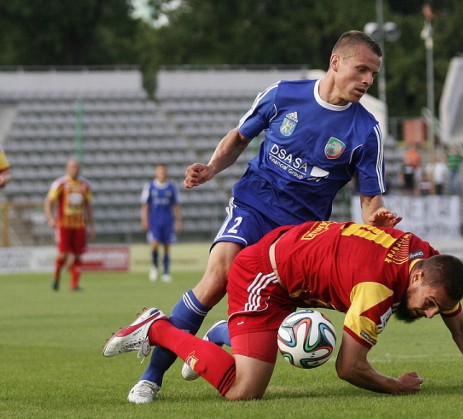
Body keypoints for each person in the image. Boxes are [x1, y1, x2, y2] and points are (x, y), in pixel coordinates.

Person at [126, 30, 402, 403]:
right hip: (254, 206)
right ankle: (151, 378)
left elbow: (369, 198)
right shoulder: (284, 94)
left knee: (274, 317)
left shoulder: (365, 131)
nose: (368, 80)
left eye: (374, 74)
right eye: (362, 69)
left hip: (299, 235)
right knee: (218, 277)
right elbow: (240, 137)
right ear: (336, 62)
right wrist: (211, 168)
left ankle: (223, 334)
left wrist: (375, 219)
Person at [103, 220, 463, 400]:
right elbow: (350, 368)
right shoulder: (377, 291)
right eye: (431, 304)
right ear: (417, 279)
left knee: (280, 351)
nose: (432, 314)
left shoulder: (426, 257)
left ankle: (222, 335)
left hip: (296, 264)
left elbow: (461, 325)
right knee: (244, 391)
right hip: (264, 277)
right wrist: (397, 387)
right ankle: (157, 327)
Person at [44, 158, 95, 291]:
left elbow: (88, 206)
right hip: (64, 225)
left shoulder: (85, 185)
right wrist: (50, 218)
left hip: (79, 225)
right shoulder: (60, 183)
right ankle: (56, 277)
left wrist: (91, 226)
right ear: (67, 168)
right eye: (72, 167)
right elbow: (48, 201)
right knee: (63, 254)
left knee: (78, 254)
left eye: (77, 167)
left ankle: (74, 284)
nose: (75, 169)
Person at [140, 164, 183, 283]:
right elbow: (145, 205)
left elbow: (176, 205)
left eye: (163, 171)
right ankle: (154, 267)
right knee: (154, 244)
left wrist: (179, 221)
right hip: (154, 221)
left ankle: (165, 272)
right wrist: (144, 219)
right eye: (159, 171)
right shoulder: (150, 186)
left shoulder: (171, 187)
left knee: (166, 246)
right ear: (156, 173)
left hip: (168, 221)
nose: (162, 173)